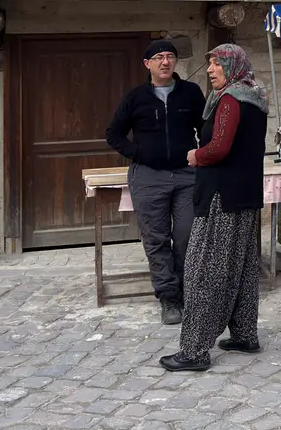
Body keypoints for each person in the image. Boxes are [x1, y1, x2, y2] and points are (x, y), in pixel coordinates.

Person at [160, 43, 268, 372]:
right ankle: (245, 335)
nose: (209, 70)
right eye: (209, 64)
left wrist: (196, 155)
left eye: (216, 64)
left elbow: (219, 148)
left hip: (222, 196)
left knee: (204, 270)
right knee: (243, 267)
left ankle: (194, 351)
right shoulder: (255, 96)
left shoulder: (231, 100)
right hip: (245, 194)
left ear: (231, 66)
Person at [106, 40, 206, 325]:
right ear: (147, 63)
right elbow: (114, 134)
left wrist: (203, 155)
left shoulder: (191, 93)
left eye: (170, 56)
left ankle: (187, 290)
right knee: (156, 238)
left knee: (187, 235)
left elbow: (206, 129)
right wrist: (139, 153)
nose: (165, 62)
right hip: (148, 177)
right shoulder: (136, 97)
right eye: (159, 57)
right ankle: (168, 297)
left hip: (186, 176)